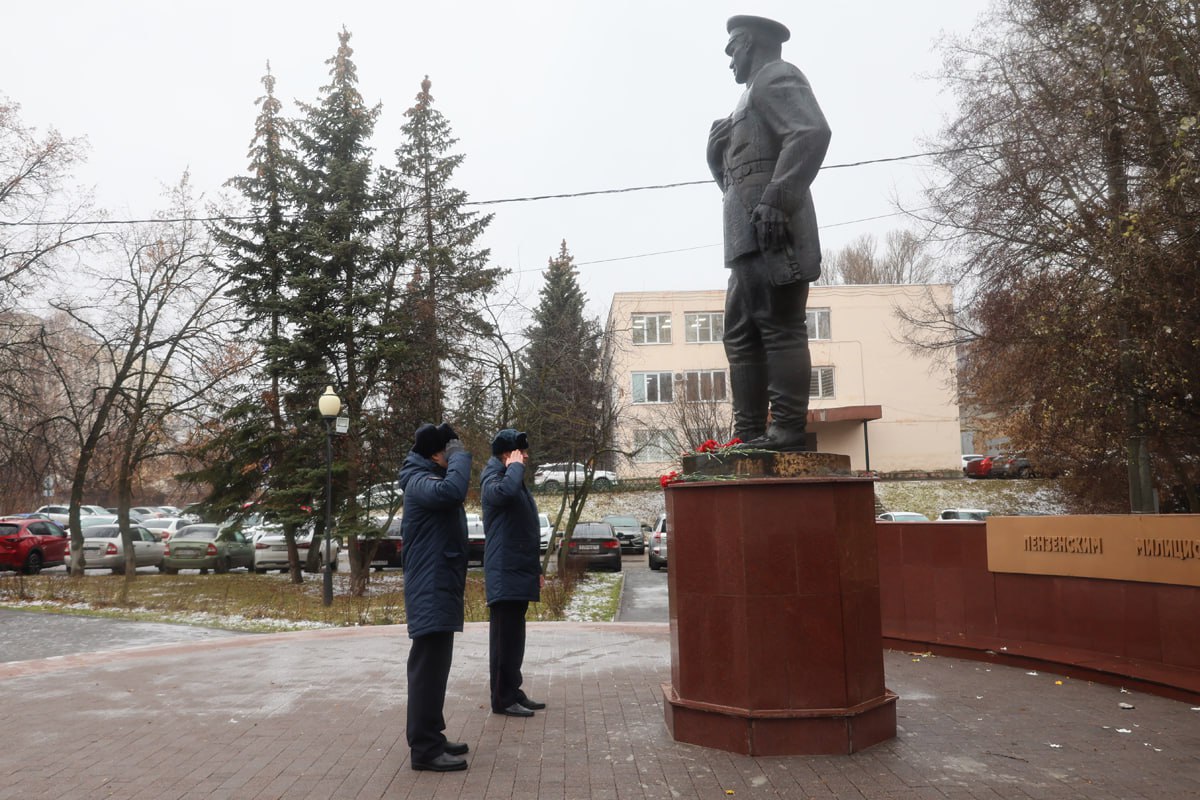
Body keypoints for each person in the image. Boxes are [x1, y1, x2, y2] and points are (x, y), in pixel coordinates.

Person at [706, 15, 832, 451]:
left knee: (779, 327)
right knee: (740, 335)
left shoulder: (776, 77)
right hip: (746, 236)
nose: (728, 58)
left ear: (751, 43)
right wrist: (713, 158)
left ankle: (787, 430)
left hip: (773, 230)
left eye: (732, 47)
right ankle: (749, 431)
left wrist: (778, 199)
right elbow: (738, 183)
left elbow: (811, 132)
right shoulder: (746, 99)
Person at [398, 422, 471, 772]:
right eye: (449, 452)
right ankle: (424, 750)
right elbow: (453, 493)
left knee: (436, 667)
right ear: (436, 454)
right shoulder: (419, 482)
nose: (452, 457)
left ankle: (432, 736)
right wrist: (461, 458)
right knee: (427, 669)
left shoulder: (426, 477)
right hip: (429, 587)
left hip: (437, 584)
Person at [480, 429, 547, 718]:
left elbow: (526, 529)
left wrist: (537, 569)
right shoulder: (494, 478)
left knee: (514, 638)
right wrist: (515, 467)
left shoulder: (511, 477)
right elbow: (502, 495)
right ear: (508, 454)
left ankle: (513, 690)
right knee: (503, 640)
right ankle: (502, 698)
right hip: (504, 571)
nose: (527, 457)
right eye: (522, 453)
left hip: (518, 569)